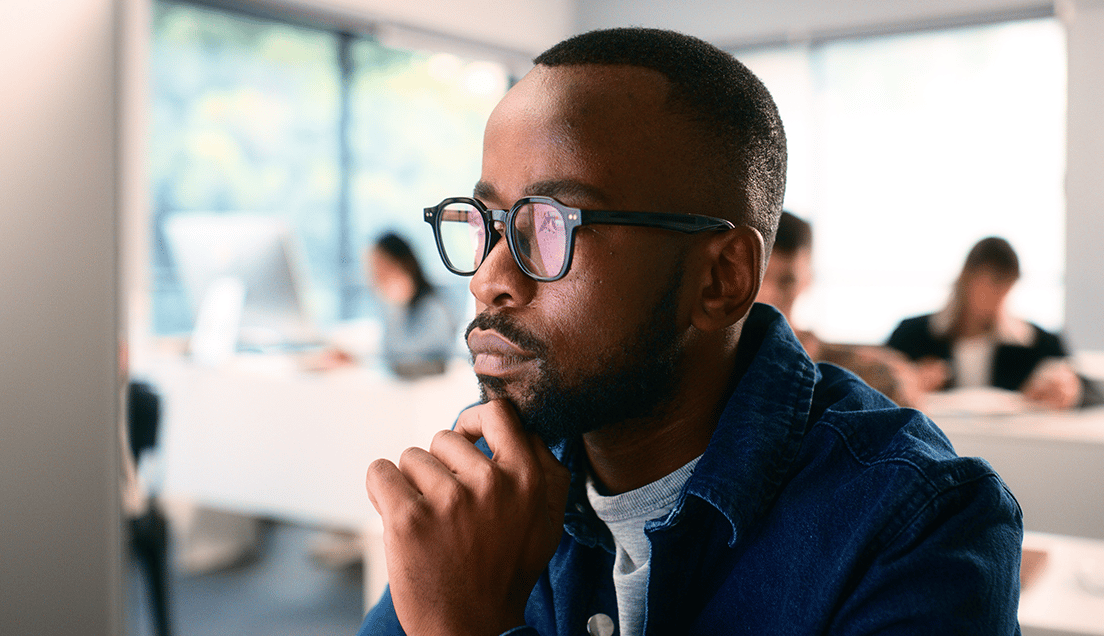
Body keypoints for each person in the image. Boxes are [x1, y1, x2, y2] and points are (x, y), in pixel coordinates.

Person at [358, 28, 1022, 636]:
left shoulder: (916, 523)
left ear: (722, 278)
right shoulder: (498, 470)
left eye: (552, 223)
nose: (488, 279)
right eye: (488, 220)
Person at [887, 236, 1085, 410]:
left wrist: (1071, 388)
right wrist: (906, 381)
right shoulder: (911, 335)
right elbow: (865, 385)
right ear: (966, 278)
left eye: (1007, 284)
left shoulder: (1036, 342)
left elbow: (1089, 387)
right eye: (992, 281)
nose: (999, 294)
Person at [757, 211, 922, 407]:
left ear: (808, 280)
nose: (767, 295)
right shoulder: (718, 375)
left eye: (786, 281)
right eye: (759, 278)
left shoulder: (875, 377)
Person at [369, 232, 458, 379]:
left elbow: (405, 354)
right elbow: (388, 352)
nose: (375, 275)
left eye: (381, 265)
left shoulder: (434, 305)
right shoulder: (393, 304)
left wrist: (396, 306)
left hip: (430, 384)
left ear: (402, 263)